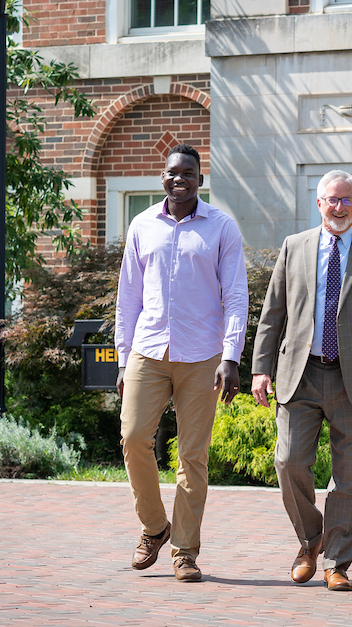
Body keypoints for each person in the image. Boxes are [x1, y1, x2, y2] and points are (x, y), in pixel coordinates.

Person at [251, 169, 352, 592]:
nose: (338, 207)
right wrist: (260, 368)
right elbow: (273, 313)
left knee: (349, 476)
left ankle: (337, 562)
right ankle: (310, 540)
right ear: (319, 203)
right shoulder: (295, 247)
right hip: (299, 375)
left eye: (347, 200)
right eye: (331, 200)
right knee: (287, 462)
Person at [114, 143, 248, 583]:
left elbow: (236, 297)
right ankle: (155, 528)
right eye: (173, 172)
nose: (179, 179)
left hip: (203, 356)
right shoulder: (141, 225)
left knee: (192, 456)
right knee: (133, 438)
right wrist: (122, 356)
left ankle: (184, 552)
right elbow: (128, 296)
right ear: (163, 177)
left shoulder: (221, 227)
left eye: (188, 173)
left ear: (199, 180)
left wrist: (231, 356)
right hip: (148, 351)